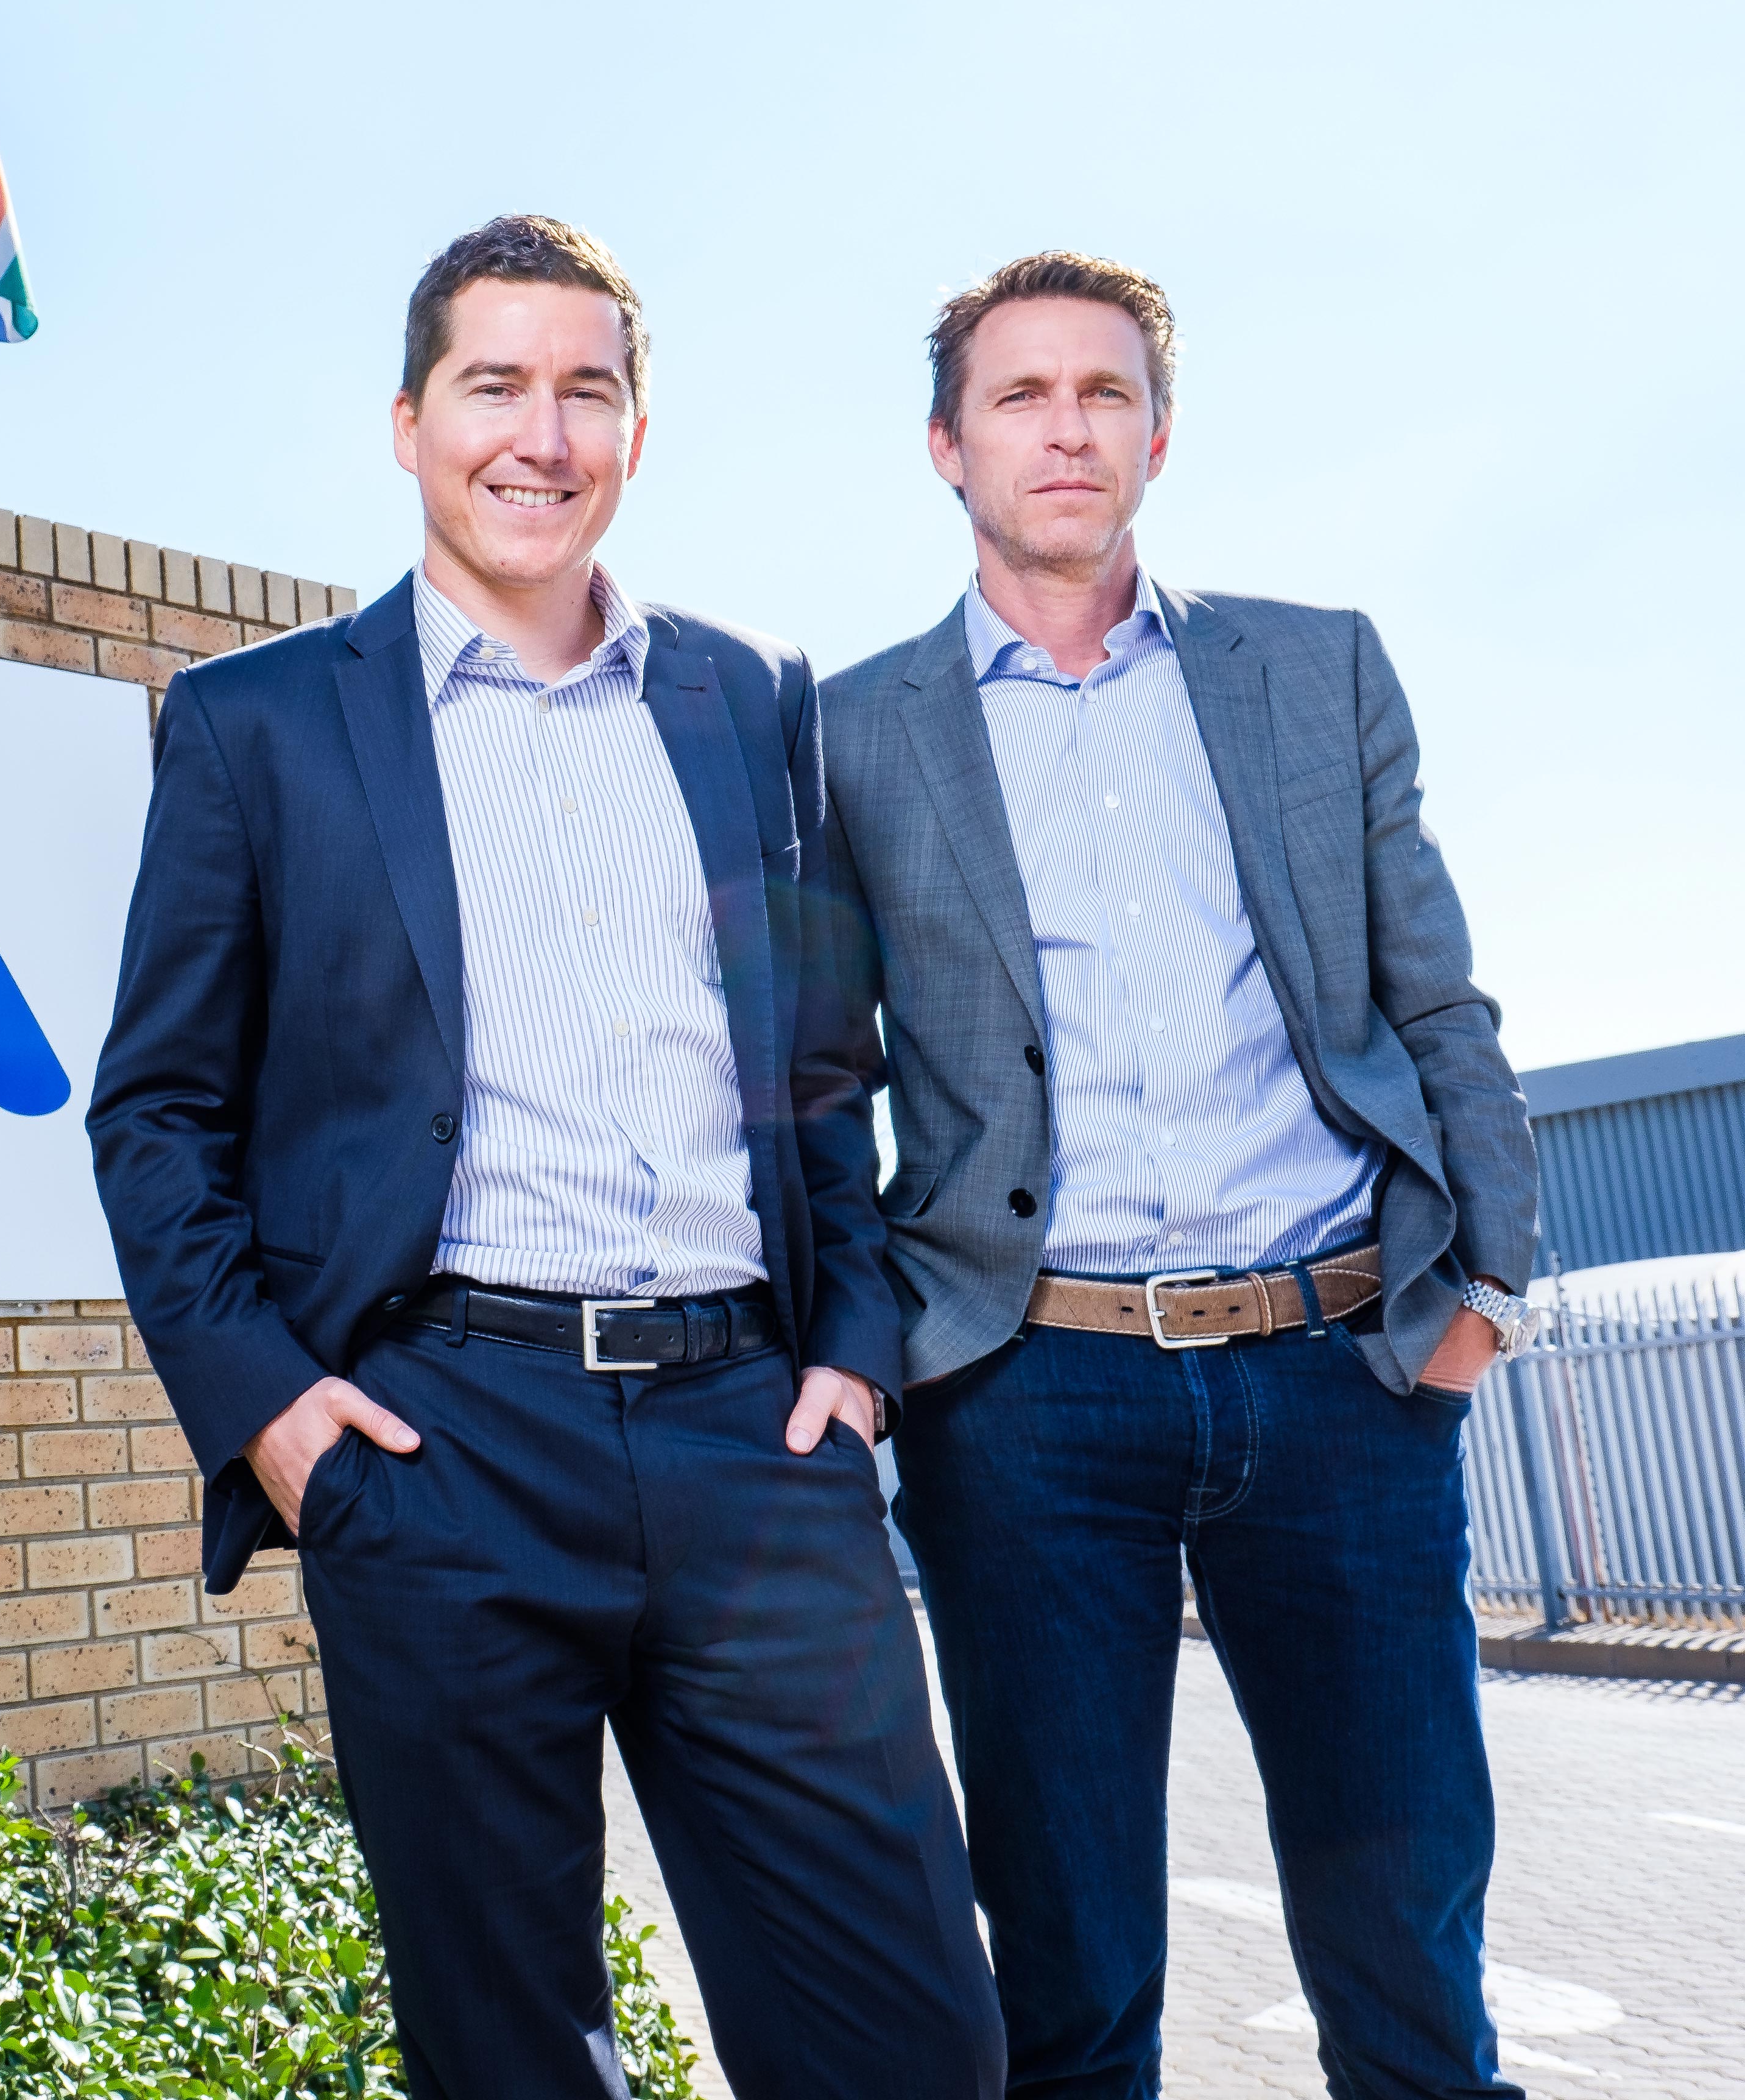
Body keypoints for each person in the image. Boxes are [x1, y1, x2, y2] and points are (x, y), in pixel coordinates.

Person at [88, 214, 1003, 2100]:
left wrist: (854, 1356)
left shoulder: (749, 698)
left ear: (636, 435)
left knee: (912, 2035)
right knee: (513, 2059)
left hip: (755, 1439)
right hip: (442, 1447)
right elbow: (157, 1112)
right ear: (409, 424)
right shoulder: (261, 724)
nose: (542, 432)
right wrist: (277, 1416)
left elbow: (819, 1066)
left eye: (587, 390)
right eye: (494, 385)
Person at [820, 250, 1542, 2098]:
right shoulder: (846, 735)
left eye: (1105, 393)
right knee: (1070, 1975)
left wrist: (1486, 1295)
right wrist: (867, 1351)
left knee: (1410, 1955)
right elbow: (821, 1078)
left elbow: (1435, 998)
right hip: (1027, 1399)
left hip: (1342, 1375)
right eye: (1020, 396)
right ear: (946, 445)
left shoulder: (1313, 668)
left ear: (1159, 433)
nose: (1066, 429)